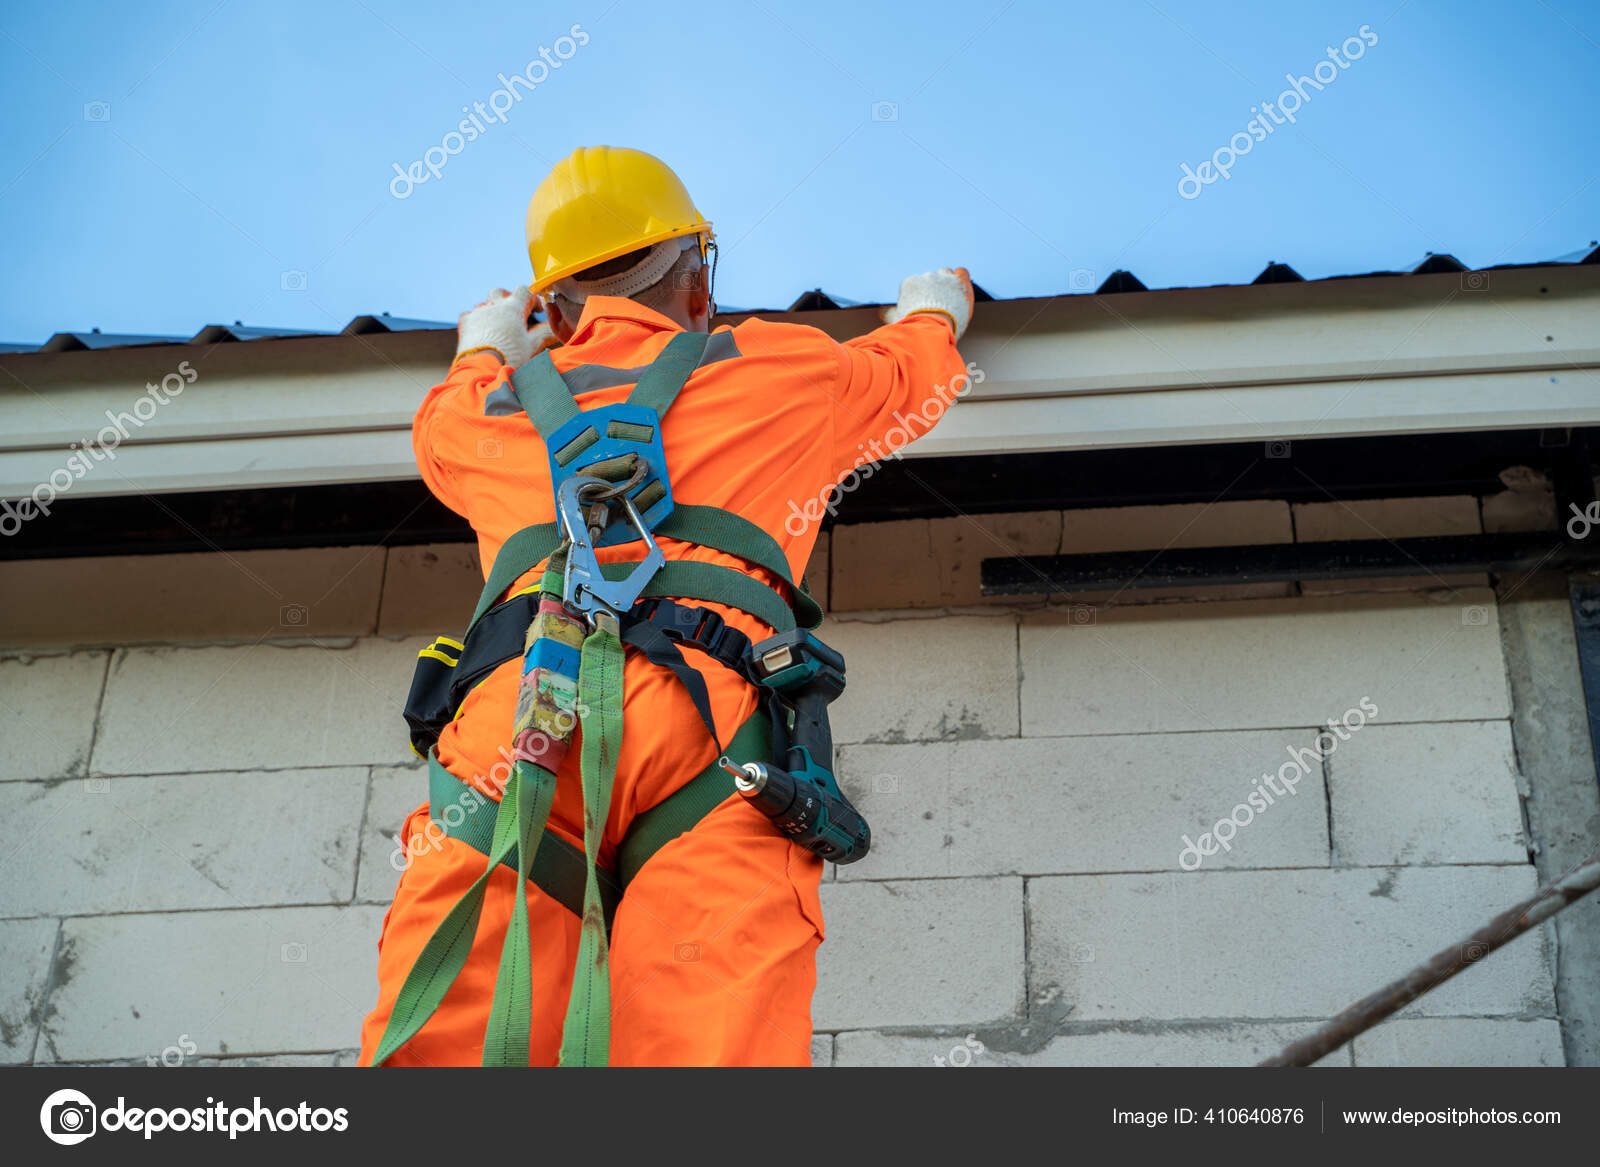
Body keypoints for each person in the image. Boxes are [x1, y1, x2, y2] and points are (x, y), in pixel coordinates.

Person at [360, 145, 973, 1066]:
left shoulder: (487, 411)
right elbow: (907, 378)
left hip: (518, 730)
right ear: (696, 277)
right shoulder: (785, 370)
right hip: (711, 732)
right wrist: (935, 310)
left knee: (448, 1052)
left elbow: (437, 426)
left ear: (554, 310)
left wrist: (487, 342)